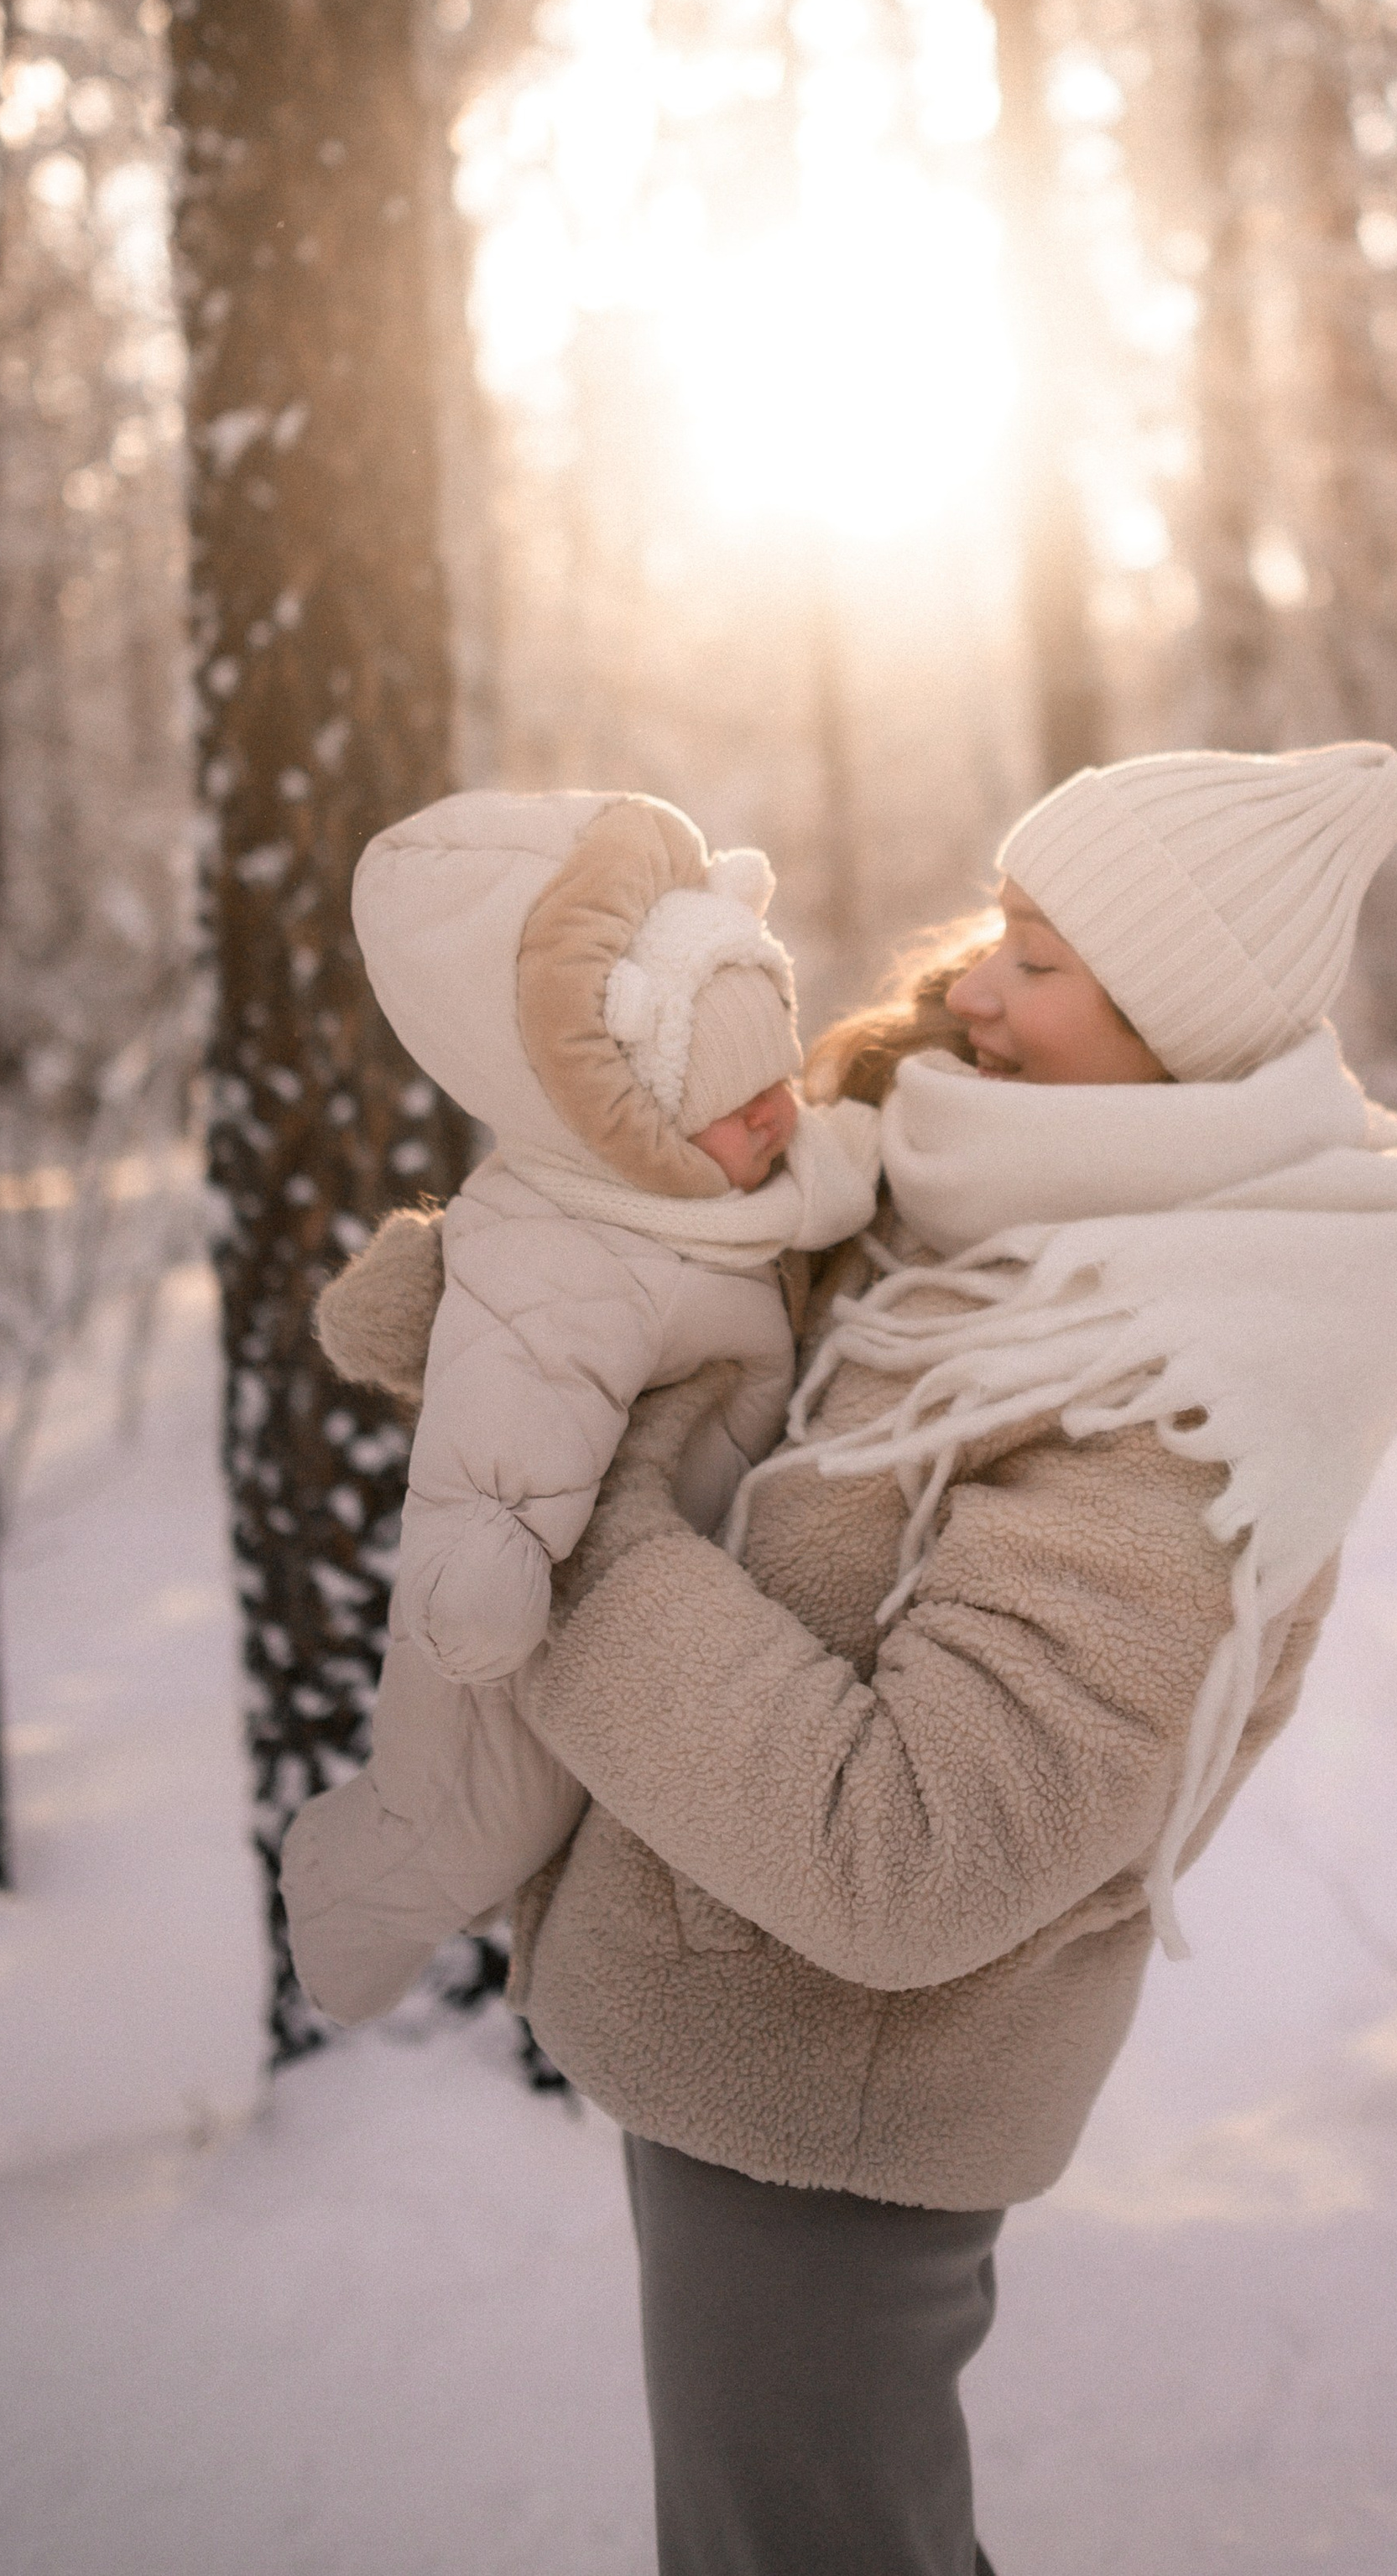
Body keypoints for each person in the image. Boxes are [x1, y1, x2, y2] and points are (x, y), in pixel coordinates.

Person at [317, 741, 1397, 2576]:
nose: (971, 989)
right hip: (739, 2034)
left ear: (1170, 1024)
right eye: (1000, 929)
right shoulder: (984, 1185)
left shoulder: (1189, 1374)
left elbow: (913, 1852)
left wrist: (565, 1530)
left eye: (1040, 959)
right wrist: (505, 1322)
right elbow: (755, 1315)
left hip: (832, 2119)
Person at [279, 785, 880, 2027]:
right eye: (733, 1098)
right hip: (509, 1611)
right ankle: (347, 1896)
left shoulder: (744, 1176)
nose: (779, 1111)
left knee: (569, 1815)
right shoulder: (563, 1247)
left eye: (777, 1070)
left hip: (653, 1587)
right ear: (624, 1118)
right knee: (476, 1823)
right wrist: (485, 1562)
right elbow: (506, 1417)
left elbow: (839, 1168)